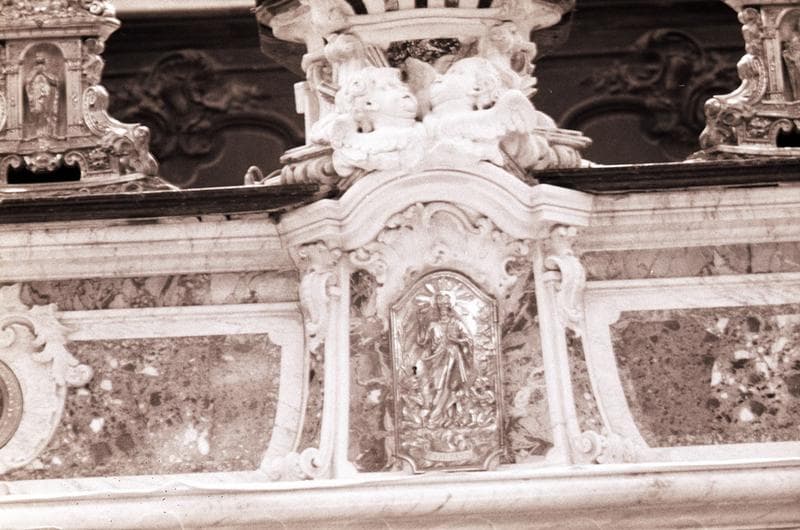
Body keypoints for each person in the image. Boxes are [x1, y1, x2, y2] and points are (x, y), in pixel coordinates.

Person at [416, 292, 474, 425]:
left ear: (450, 307)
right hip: (436, 358)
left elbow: (469, 340)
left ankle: (442, 416)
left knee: (448, 384)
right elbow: (422, 342)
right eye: (440, 306)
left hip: (453, 358)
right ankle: (438, 415)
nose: (443, 309)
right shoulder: (433, 325)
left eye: (445, 306)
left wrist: (456, 340)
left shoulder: (457, 323)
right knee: (437, 386)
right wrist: (420, 323)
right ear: (436, 307)